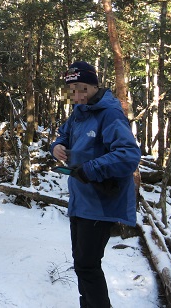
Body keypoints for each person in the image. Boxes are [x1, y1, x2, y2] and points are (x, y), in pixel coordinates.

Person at [50, 61, 141, 308]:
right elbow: (63, 135)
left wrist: (90, 169)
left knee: (87, 265)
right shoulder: (79, 113)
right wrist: (56, 146)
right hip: (80, 200)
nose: (77, 96)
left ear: (94, 85)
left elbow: (128, 154)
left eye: (82, 89)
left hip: (101, 202)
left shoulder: (109, 113)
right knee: (82, 263)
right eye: (72, 90)